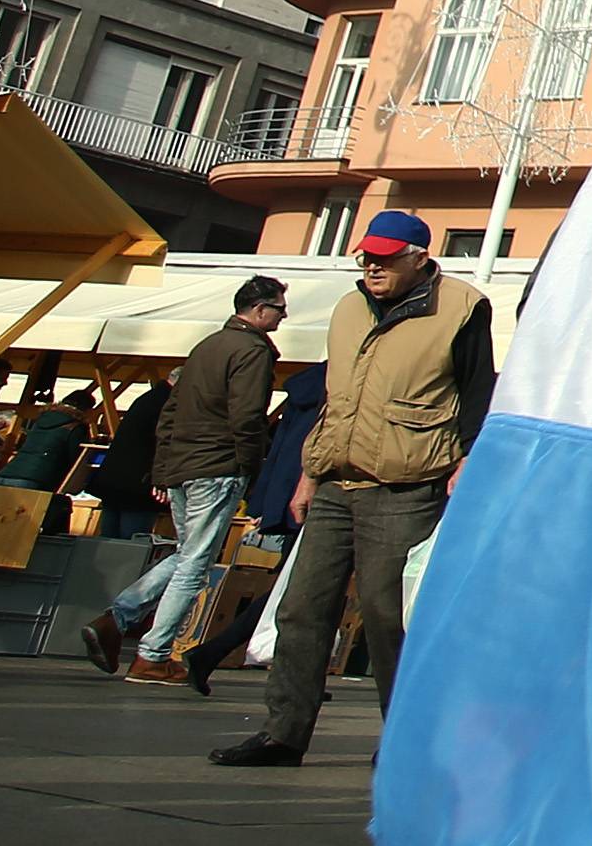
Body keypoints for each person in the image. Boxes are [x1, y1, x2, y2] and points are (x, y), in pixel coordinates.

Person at [211, 215, 494, 767]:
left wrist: (468, 461)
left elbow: (477, 394)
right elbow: (337, 399)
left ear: (418, 257)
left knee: (390, 617)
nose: (372, 266)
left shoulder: (461, 307)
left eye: (385, 258)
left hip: (406, 485)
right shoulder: (348, 308)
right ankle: (283, 733)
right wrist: (308, 473)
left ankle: (405, 741)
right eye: (366, 256)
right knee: (300, 610)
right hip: (336, 480)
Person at [81, 275, 287, 688]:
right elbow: (247, 416)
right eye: (280, 308)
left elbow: (171, 411)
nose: (284, 315)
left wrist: (163, 467)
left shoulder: (207, 345)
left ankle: (117, 619)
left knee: (187, 553)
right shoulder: (251, 351)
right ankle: (152, 655)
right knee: (194, 562)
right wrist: (250, 467)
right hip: (217, 465)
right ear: (260, 309)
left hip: (183, 464)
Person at [183, 362, 327, 695]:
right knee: (299, 590)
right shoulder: (347, 381)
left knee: (299, 588)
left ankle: (297, 673)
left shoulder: (302, 388)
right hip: (317, 495)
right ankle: (211, 653)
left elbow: (277, 447)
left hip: (289, 493)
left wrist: (264, 499)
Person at [91, 375, 172, 538]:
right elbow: (165, 444)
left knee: (107, 537)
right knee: (132, 542)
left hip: (115, 479)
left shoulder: (147, 398)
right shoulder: (168, 403)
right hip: (140, 484)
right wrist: (161, 480)